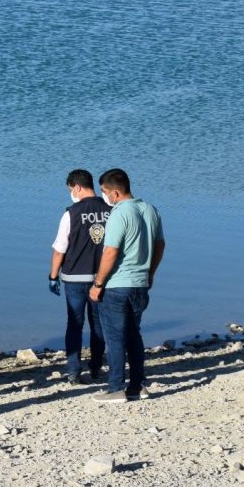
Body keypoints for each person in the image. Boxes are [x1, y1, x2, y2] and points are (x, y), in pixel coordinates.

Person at [89, 168, 165, 403]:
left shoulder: (119, 213)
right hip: (140, 283)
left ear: (114, 192)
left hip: (118, 285)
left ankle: (115, 388)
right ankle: (138, 386)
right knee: (134, 336)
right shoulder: (150, 209)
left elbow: (111, 251)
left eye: (104, 192)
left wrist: (98, 283)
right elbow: (160, 245)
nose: (104, 197)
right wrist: (150, 273)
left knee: (115, 337)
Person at [49, 169, 113, 384]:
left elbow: (60, 248)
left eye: (70, 189)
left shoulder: (71, 213)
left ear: (76, 187)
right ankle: (96, 368)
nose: (71, 193)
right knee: (98, 324)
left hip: (74, 278)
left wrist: (52, 275)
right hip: (101, 279)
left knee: (74, 324)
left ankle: (74, 371)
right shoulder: (111, 209)